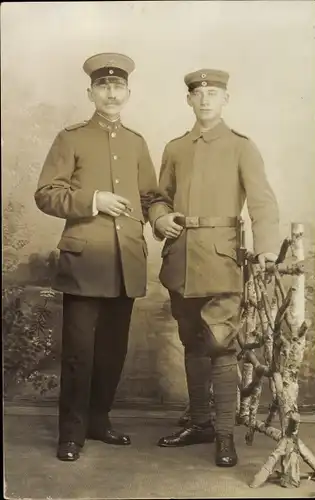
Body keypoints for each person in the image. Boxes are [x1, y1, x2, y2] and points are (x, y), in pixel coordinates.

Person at [149, 68, 280, 467]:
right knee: (192, 342)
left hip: (222, 261)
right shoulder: (175, 148)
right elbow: (159, 197)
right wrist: (159, 219)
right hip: (181, 259)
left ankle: (224, 436)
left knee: (222, 347)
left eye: (214, 93)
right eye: (198, 93)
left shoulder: (242, 146)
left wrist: (267, 249)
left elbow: (262, 201)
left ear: (226, 100)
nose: (205, 99)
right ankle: (200, 423)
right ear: (189, 100)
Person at [34, 53, 158, 461]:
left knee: (112, 351)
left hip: (126, 263)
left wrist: (162, 215)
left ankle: (99, 420)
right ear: (90, 93)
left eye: (117, 86)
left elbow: (150, 196)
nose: (110, 92)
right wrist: (93, 200)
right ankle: (71, 434)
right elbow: (46, 194)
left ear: (128, 93)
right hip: (85, 263)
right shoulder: (71, 138)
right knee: (78, 353)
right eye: (103, 86)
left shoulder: (136, 142)